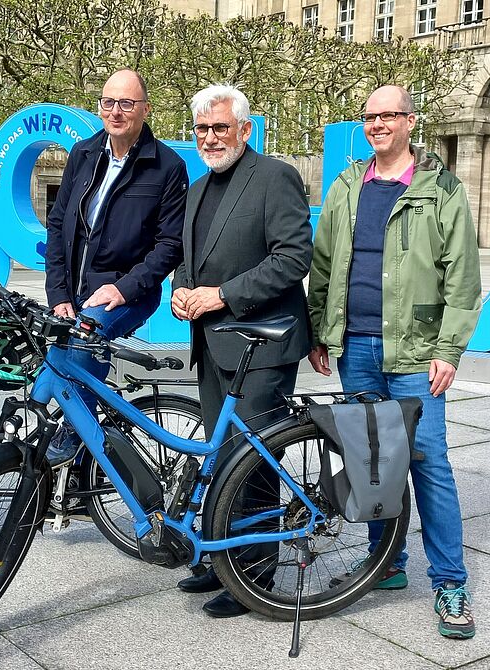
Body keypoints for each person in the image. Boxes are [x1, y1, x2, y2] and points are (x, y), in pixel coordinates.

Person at [306, 85, 481, 640]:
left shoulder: (440, 189)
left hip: (416, 352)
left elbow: (463, 278)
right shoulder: (347, 185)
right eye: (369, 117)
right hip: (357, 347)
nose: (378, 124)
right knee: (371, 462)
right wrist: (319, 331)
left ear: (410, 122)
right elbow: (324, 262)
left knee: (428, 462)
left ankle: (450, 581)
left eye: (388, 115)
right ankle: (387, 563)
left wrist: (448, 349)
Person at [170, 84, 312, 618]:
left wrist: (223, 295)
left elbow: (294, 256)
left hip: (264, 344)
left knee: (251, 461)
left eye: (220, 128)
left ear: (245, 129)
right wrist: (182, 288)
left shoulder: (274, 176)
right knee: (220, 455)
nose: (209, 137)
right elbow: (191, 260)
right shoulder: (198, 186)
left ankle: (252, 574)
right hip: (213, 343)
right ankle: (221, 557)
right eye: (202, 129)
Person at [41, 68, 187, 465]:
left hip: (129, 292)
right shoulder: (83, 154)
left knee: (88, 334)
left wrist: (123, 288)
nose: (116, 112)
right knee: (51, 357)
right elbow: (58, 224)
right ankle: (81, 454)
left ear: (144, 109)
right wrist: (59, 294)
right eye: (109, 102)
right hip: (73, 290)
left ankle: (75, 434)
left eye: (126, 103)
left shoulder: (167, 167)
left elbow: (171, 245)